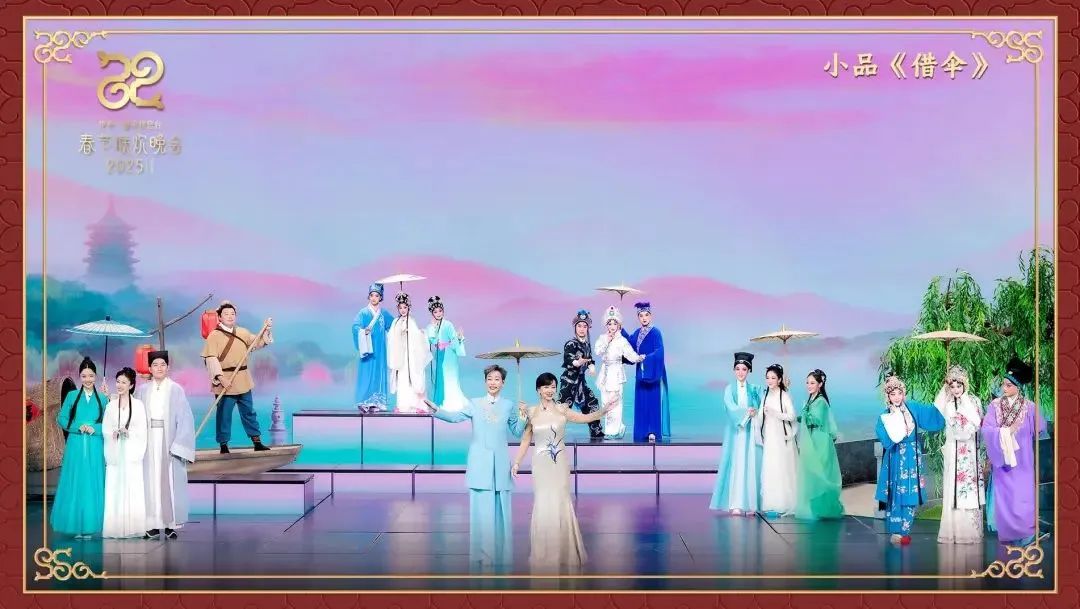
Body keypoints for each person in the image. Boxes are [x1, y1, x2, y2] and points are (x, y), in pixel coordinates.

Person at [424, 365, 527, 571]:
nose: (493, 382)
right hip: (480, 463)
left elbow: (517, 432)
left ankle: (501, 554)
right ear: (485, 381)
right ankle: (482, 555)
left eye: (497, 379)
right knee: (481, 513)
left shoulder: (508, 405)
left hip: (500, 465)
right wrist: (437, 410)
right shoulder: (474, 404)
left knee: (501, 512)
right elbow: (455, 417)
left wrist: (523, 417)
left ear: (503, 383)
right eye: (489, 379)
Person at [512, 373, 612, 572]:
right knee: (543, 503)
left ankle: (563, 553)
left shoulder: (562, 409)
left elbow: (585, 418)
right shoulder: (531, 412)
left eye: (553, 386)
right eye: (546, 387)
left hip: (559, 465)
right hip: (540, 465)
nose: (550, 390)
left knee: (560, 502)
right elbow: (525, 440)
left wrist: (603, 411)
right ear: (538, 390)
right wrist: (516, 463)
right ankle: (544, 553)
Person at [981, 357, 1046, 546]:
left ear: (1018, 387)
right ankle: (1009, 533)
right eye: (1003, 384)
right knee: (1006, 497)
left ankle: (1026, 533)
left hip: (1023, 459)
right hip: (1003, 460)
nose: (1004, 388)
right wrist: (1005, 432)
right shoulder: (994, 406)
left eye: (1009, 385)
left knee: (1023, 496)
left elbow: (1040, 428)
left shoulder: (1030, 407)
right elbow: (987, 429)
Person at [875, 375, 946, 545]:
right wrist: (895, 430)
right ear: (888, 396)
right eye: (893, 394)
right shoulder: (884, 416)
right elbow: (886, 440)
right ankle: (895, 530)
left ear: (903, 393)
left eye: (899, 393)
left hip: (912, 457)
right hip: (895, 457)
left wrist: (945, 396)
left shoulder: (913, 408)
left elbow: (932, 415)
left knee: (910, 493)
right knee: (895, 493)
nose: (897, 397)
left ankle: (905, 530)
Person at [134, 350, 196, 540]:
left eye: (162, 364)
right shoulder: (142, 390)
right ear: (149, 368)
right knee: (149, 481)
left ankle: (170, 524)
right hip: (148, 439)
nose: (159, 368)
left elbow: (185, 419)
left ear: (168, 367)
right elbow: (134, 415)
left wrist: (179, 445)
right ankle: (152, 524)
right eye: (155, 365)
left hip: (168, 439)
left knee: (168, 481)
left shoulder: (176, 389)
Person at [201, 300, 273, 453]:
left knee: (249, 412)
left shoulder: (242, 332)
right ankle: (223, 445)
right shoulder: (214, 336)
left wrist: (265, 330)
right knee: (224, 414)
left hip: (243, 378)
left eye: (232, 313)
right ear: (219, 317)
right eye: (226, 314)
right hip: (225, 379)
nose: (230, 316)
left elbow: (257, 343)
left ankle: (257, 442)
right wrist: (221, 378)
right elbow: (211, 358)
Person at [51, 356, 107, 538]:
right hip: (75, 445)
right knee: (75, 482)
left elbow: (109, 423)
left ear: (96, 376)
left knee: (92, 482)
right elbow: (61, 418)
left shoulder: (103, 398)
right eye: (84, 376)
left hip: (95, 445)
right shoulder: (72, 396)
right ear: (79, 376)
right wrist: (77, 427)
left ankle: (91, 525)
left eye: (91, 376)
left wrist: (95, 428)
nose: (87, 379)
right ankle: (75, 525)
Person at [933, 365, 986, 544]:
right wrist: (967, 428)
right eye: (952, 386)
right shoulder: (949, 405)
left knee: (969, 487)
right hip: (954, 448)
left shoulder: (974, 401)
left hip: (970, 451)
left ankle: (971, 531)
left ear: (965, 385)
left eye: (959, 386)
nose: (956, 390)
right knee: (954, 487)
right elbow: (956, 429)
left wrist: (970, 427)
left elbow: (978, 423)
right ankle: (954, 531)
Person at [710, 352, 763, 516]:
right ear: (734, 370)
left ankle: (751, 504)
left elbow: (763, 405)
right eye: (738, 369)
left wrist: (756, 411)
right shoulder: (729, 389)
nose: (740, 372)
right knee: (736, 464)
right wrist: (747, 412)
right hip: (735, 432)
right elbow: (731, 408)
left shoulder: (755, 389)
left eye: (744, 369)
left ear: (749, 371)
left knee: (750, 464)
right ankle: (736, 503)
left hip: (750, 432)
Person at [102, 367, 148, 539]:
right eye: (118, 382)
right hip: (116, 451)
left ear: (131, 385)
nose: (120, 385)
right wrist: (112, 433)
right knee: (114, 488)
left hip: (130, 451)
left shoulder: (138, 405)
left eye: (124, 382)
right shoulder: (110, 405)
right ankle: (114, 527)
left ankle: (134, 527)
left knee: (132, 488)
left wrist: (130, 433)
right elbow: (106, 428)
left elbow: (142, 429)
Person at [794, 369, 844, 520]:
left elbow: (815, 420)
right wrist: (796, 417)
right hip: (813, 438)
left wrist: (803, 415)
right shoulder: (812, 399)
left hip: (820, 439)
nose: (809, 386)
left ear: (820, 384)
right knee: (813, 472)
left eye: (812, 383)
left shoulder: (821, 401)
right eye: (807, 383)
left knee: (820, 472)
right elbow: (807, 418)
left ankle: (822, 509)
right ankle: (816, 509)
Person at [592, 306, 644, 439]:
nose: (612, 326)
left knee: (615, 402)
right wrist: (607, 341)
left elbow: (630, 354)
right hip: (605, 373)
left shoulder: (622, 340)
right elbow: (598, 351)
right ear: (606, 325)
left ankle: (613, 430)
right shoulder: (602, 338)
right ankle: (615, 428)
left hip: (616, 373)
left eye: (615, 323)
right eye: (609, 323)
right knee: (605, 402)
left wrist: (638, 358)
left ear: (619, 325)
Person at [624, 302, 669, 443]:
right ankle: (642, 431)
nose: (644, 318)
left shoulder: (656, 332)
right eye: (641, 315)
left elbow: (659, 351)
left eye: (646, 315)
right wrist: (621, 329)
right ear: (638, 317)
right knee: (641, 401)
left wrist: (647, 358)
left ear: (651, 316)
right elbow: (629, 346)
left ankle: (652, 430)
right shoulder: (637, 333)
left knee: (652, 401)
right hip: (641, 372)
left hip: (652, 371)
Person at [758, 363, 797, 517]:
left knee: (782, 468)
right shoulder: (765, 395)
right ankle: (770, 503)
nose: (770, 381)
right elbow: (761, 418)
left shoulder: (784, 396)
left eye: (773, 378)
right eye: (767, 378)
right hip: (770, 437)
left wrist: (775, 413)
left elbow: (792, 416)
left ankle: (783, 503)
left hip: (781, 437)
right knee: (770, 468)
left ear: (779, 379)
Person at [559, 310, 603, 439]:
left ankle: (596, 432)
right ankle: (553, 433)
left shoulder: (586, 344)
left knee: (592, 403)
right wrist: (577, 362)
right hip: (569, 382)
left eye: (584, 326)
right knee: (561, 409)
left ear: (588, 328)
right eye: (579, 326)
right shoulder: (570, 343)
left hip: (581, 382)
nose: (582, 329)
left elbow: (589, 359)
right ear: (575, 327)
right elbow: (568, 358)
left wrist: (591, 366)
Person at [352, 283, 395, 411]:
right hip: (368, 349)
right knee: (366, 374)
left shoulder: (384, 314)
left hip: (380, 349)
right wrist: (362, 331)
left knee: (378, 373)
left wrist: (404, 321)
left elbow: (394, 326)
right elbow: (355, 326)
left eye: (377, 295)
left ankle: (376, 402)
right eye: (372, 295)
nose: (374, 298)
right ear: (369, 297)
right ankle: (364, 401)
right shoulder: (363, 313)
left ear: (380, 297)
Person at [387, 293, 432, 413]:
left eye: (405, 307)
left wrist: (415, 333)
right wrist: (399, 333)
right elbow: (391, 337)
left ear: (408, 308)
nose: (403, 310)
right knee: (402, 379)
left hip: (411, 355)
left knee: (413, 378)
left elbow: (417, 337)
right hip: (400, 355)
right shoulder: (395, 322)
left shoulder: (411, 321)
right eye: (400, 308)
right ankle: (403, 405)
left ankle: (417, 405)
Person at [425, 296, 469, 412]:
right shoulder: (432, 326)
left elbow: (454, 340)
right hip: (440, 355)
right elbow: (432, 341)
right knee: (439, 378)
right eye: (435, 312)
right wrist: (432, 328)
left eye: (440, 311)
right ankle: (439, 404)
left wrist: (459, 338)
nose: (438, 313)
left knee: (449, 377)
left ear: (443, 311)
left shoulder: (448, 324)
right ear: (432, 313)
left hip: (449, 356)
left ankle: (450, 404)